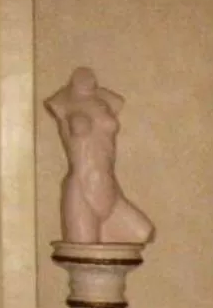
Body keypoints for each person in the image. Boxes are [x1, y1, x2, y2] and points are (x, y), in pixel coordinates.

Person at [44, 66, 155, 246]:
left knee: (144, 233)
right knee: (85, 261)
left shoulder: (106, 100)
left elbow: (117, 103)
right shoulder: (61, 102)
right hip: (81, 189)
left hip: (108, 187)